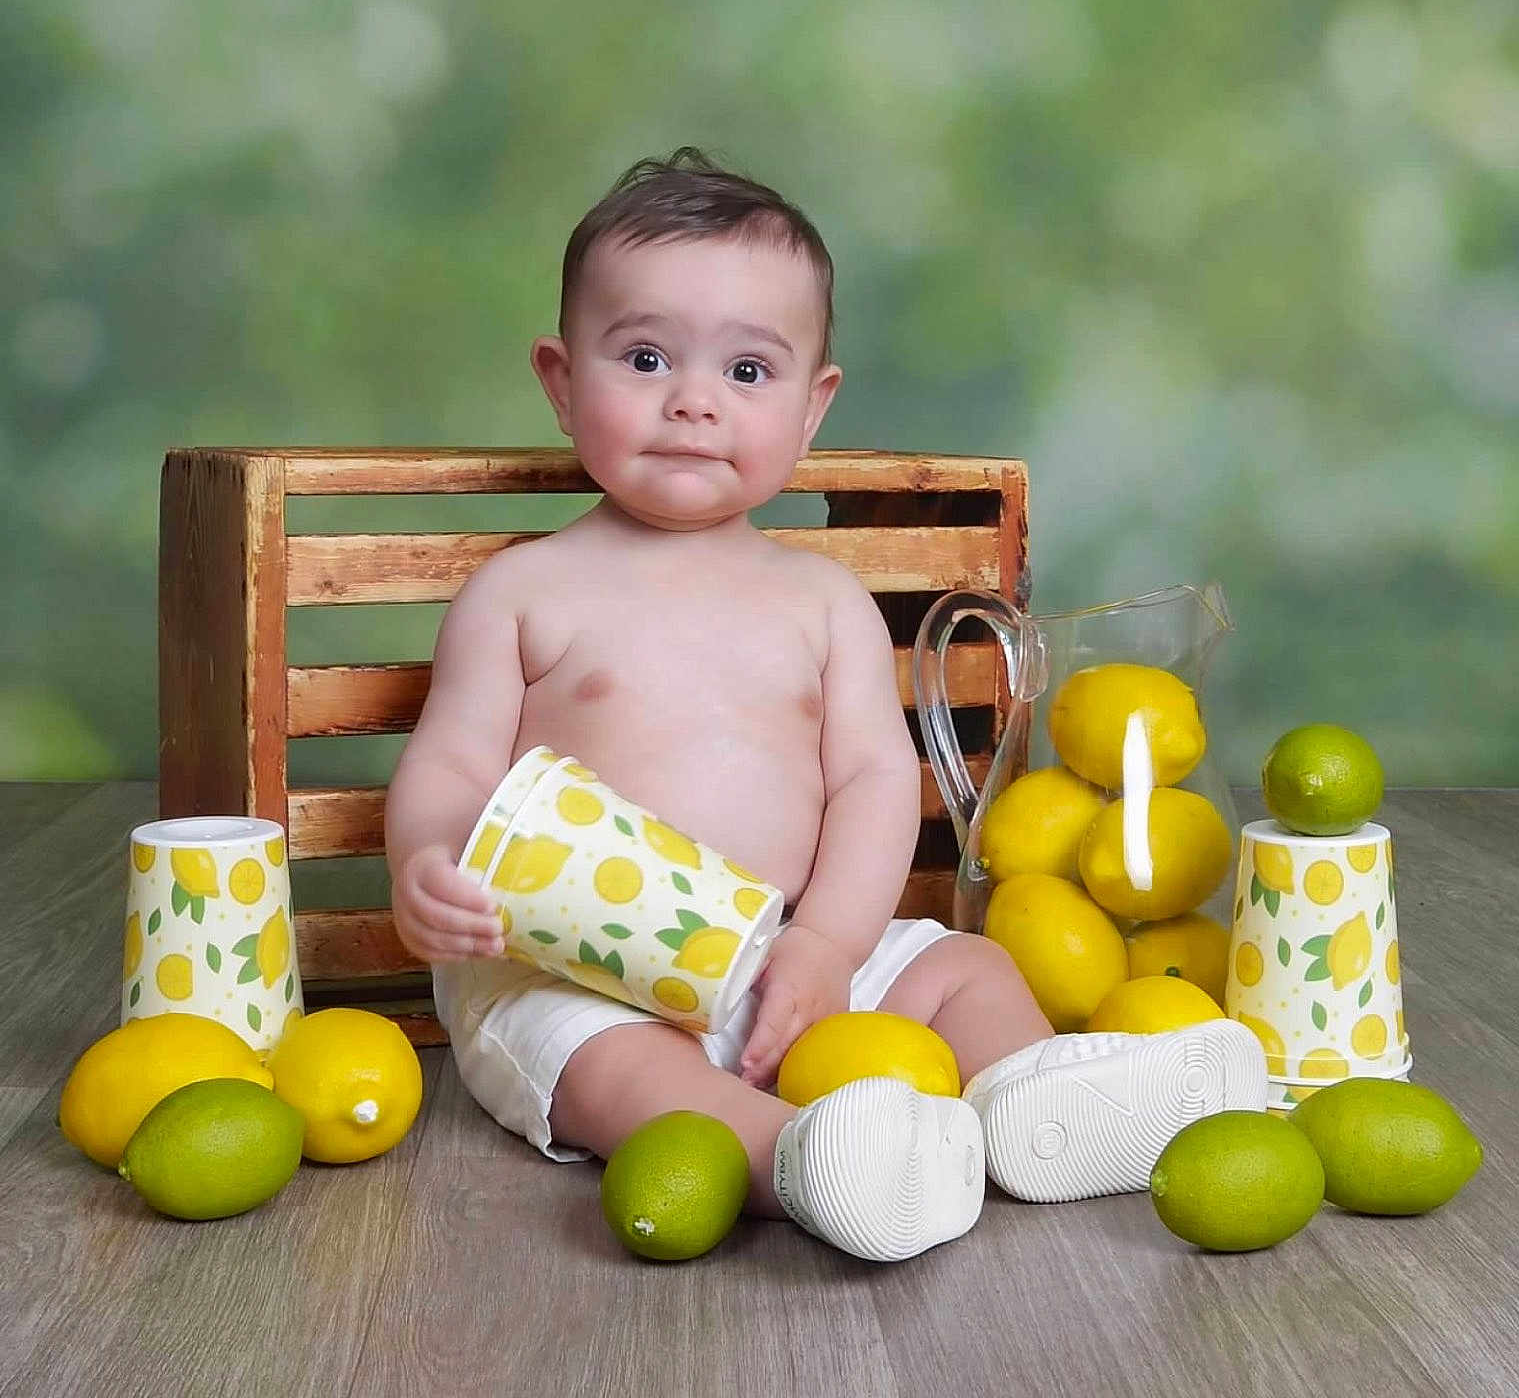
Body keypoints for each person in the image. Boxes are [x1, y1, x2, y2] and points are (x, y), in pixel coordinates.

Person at [385, 148, 1265, 1261]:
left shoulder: (824, 601)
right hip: (574, 971)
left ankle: (1041, 1102)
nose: (694, 401)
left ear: (814, 408)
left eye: (748, 373)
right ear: (563, 382)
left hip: (789, 954)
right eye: (646, 357)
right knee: (618, 1072)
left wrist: (830, 946)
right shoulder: (520, 593)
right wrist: (423, 867)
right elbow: (452, 770)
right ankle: (803, 1158)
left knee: (968, 966)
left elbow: (871, 782)